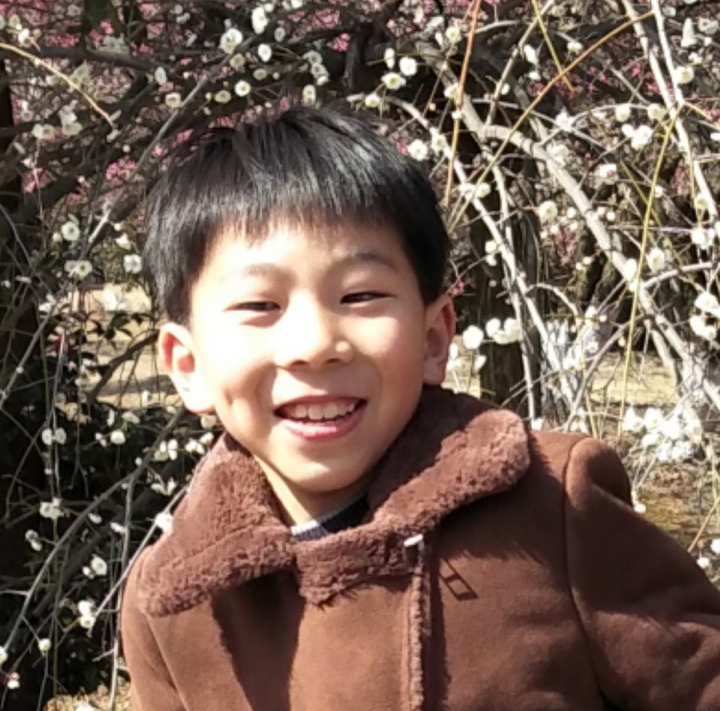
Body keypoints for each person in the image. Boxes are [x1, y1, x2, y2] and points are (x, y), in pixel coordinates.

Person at [121, 105, 720, 711]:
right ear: (187, 365)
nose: (315, 344)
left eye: (361, 295)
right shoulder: (175, 606)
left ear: (434, 338)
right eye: (259, 305)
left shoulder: (552, 505)